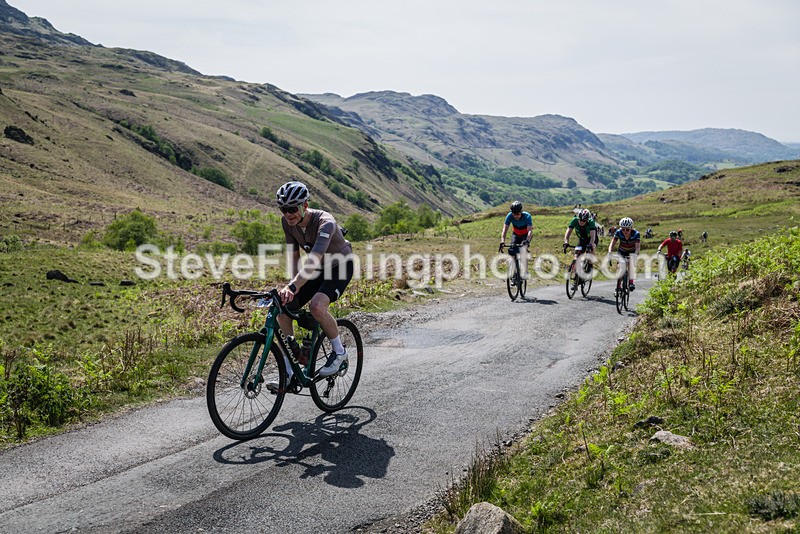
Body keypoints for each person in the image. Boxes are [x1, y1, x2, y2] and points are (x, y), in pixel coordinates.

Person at [274, 181, 354, 386]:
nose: (288, 214)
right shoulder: (288, 224)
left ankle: (339, 352)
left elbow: (313, 259)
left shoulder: (325, 222)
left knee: (317, 305)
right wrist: (293, 287)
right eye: (283, 209)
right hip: (317, 269)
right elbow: (294, 258)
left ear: (305, 205)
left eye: (292, 209)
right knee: (281, 307)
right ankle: (291, 367)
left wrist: (294, 286)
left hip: (339, 267)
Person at [608, 217, 640, 291]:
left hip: (632, 251)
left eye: (627, 229)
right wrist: (609, 252)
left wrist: (635, 254)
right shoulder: (618, 232)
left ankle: (631, 282)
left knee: (631, 264)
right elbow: (612, 244)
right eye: (623, 229)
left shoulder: (636, 234)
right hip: (622, 251)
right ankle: (618, 287)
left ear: (631, 228)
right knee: (621, 267)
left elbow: (637, 247)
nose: (625, 231)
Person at [499, 201, 533, 273]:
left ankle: (525, 270)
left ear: (521, 212)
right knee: (512, 251)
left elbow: (530, 231)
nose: (516, 216)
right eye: (514, 214)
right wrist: (502, 241)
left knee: (523, 250)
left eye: (518, 214)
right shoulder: (509, 216)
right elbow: (504, 230)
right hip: (516, 234)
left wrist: (527, 241)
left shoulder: (527, 216)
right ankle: (513, 271)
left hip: (525, 236)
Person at [563, 209, 597, 279]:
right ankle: (576, 276)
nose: (581, 222)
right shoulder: (574, 220)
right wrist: (566, 242)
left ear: (587, 220)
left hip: (591, 239)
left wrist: (590, 245)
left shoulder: (591, 222)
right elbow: (568, 232)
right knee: (576, 256)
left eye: (584, 220)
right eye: (580, 220)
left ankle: (590, 266)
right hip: (582, 239)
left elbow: (593, 236)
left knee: (591, 249)